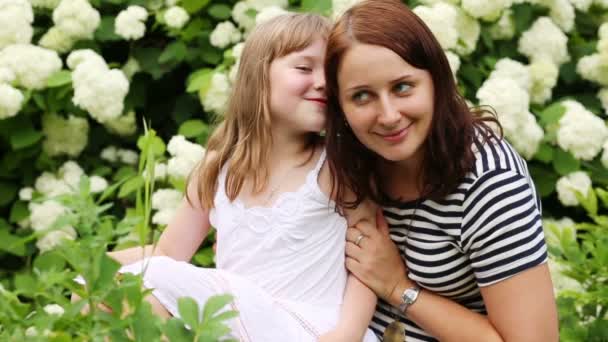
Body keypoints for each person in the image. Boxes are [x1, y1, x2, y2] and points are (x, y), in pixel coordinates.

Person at [97, 13, 378, 342]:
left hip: (311, 328)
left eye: (331, 72)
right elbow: (167, 254)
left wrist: (348, 333)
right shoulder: (217, 169)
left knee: (149, 278)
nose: (323, 82)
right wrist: (94, 265)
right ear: (259, 76)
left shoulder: (338, 167)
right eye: (304, 68)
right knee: (108, 288)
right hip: (234, 325)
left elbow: (367, 265)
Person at [323, 1, 559, 341]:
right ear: (340, 107)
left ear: (436, 80)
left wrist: (398, 287)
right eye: (362, 96)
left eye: (402, 87)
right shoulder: (347, 163)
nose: (388, 116)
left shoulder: (490, 184)